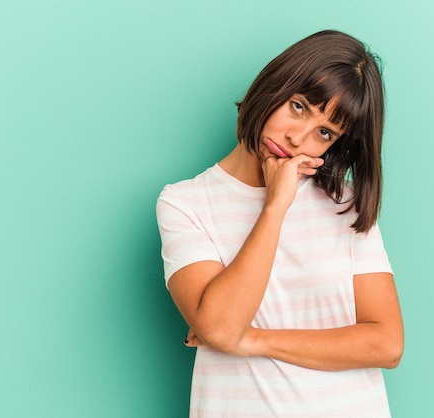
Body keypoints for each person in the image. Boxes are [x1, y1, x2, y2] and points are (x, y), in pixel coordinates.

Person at [156, 29, 404, 417]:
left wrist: (252, 340)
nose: (295, 137)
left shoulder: (345, 205)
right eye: (299, 106)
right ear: (274, 85)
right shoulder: (185, 203)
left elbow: (386, 344)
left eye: (324, 133)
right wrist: (275, 207)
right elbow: (220, 329)